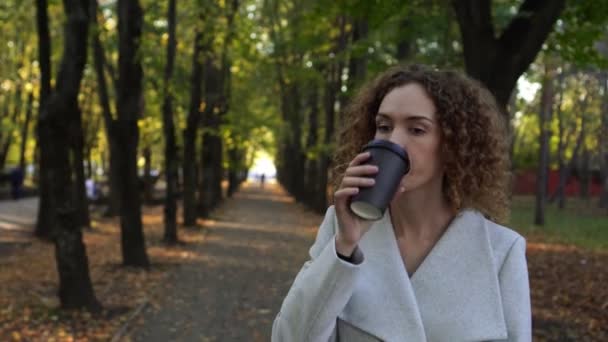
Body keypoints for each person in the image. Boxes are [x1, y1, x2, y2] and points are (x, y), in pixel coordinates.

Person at [272, 64, 531, 341]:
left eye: (417, 129)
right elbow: (289, 337)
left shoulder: (501, 251)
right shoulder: (341, 229)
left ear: (451, 145)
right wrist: (344, 247)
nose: (394, 141)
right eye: (383, 126)